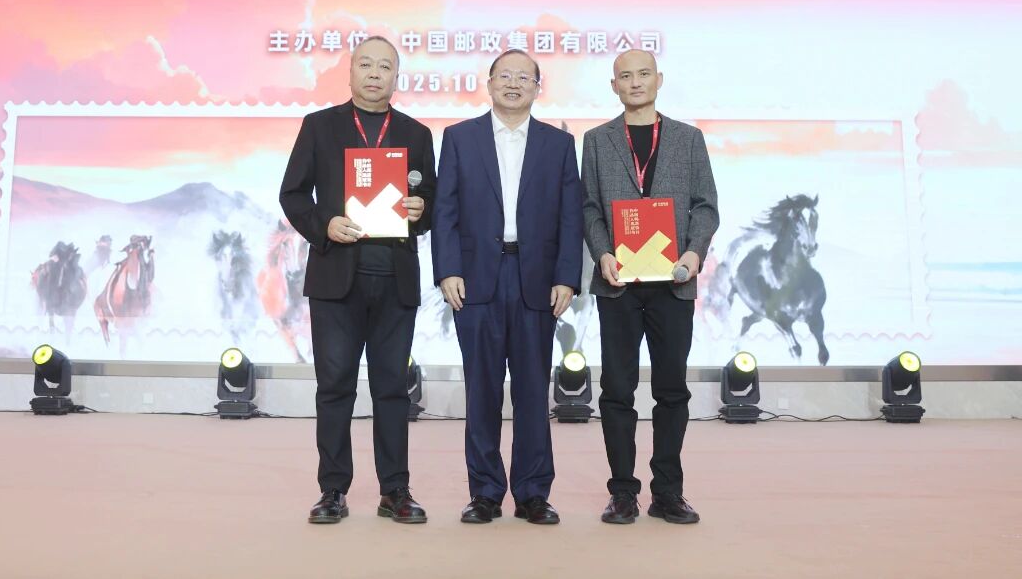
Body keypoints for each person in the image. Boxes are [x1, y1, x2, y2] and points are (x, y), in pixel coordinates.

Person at [279, 35, 437, 524]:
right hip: (336, 281)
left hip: (394, 282)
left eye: (384, 66)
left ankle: (395, 490)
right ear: (350, 72)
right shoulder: (320, 126)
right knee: (334, 388)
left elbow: (431, 205)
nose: (374, 73)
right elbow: (293, 195)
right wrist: (324, 224)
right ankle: (333, 490)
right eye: (365, 64)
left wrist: (421, 209)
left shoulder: (416, 134)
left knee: (393, 390)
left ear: (396, 77)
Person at [432, 49, 583, 525]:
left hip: (535, 278)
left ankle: (533, 493)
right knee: (482, 390)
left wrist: (567, 276)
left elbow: (571, 217)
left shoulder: (558, 144)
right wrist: (447, 270)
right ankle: (485, 493)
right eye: (505, 76)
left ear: (537, 87)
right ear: (489, 83)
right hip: (476, 277)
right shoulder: (459, 138)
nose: (513, 84)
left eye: (524, 77)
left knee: (534, 390)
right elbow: (445, 211)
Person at [581, 49, 719, 525]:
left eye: (644, 74)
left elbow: (705, 205)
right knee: (616, 390)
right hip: (618, 282)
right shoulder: (597, 141)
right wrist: (602, 252)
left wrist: (694, 253)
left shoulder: (688, 138)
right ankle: (622, 492)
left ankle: (668, 492)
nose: (635, 82)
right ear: (613, 85)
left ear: (659, 80)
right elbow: (590, 207)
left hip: (673, 283)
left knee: (671, 390)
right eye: (626, 76)